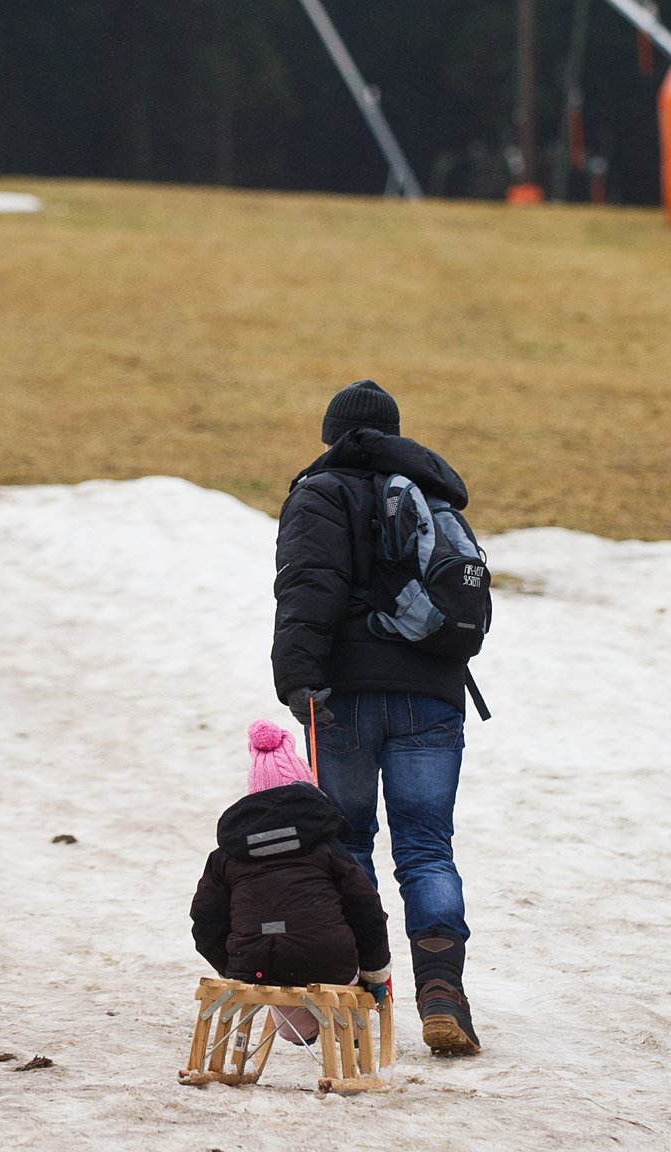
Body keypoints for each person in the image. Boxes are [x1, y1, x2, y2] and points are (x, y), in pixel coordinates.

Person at [271, 379, 483, 1055]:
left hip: (347, 700)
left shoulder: (321, 492)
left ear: (332, 434)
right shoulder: (431, 493)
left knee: (348, 845)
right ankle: (443, 994)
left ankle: (359, 1000)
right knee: (427, 848)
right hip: (433, 695)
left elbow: (309, 588)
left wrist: (298, 678)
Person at [190, 721, 392, 1043]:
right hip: (328, 962)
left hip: (255, 962)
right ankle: (348, 1031)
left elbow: (205, 918)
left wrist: (232, 964)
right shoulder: (327, 847)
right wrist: (375, 969)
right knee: (338, 978)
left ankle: (300, 1031)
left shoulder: (227, 855)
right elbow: (365, 907)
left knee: (281, 992)